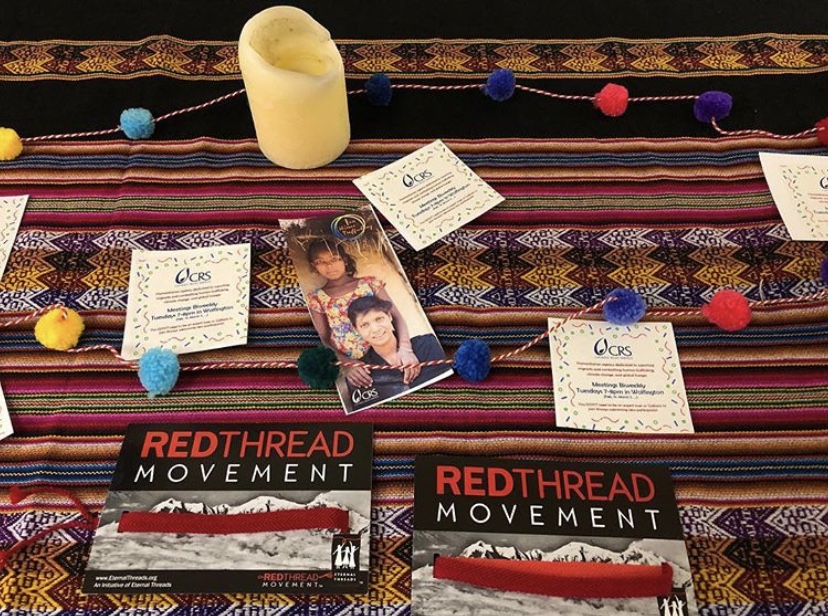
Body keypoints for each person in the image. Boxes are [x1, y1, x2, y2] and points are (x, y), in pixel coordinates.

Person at [305, 238, 420, 387]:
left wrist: (405, 348)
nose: (329, 265)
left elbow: (396, 317)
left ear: (345, 260)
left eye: (335, 259)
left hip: (388, 352)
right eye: (320, 261)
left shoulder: (369, 284)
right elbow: (323, 338)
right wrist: (345, 363)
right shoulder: (316, 298)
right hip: (353, 366)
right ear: (314, 266)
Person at [346, 295, 449, 395]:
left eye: (379, 319)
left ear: (389, 316)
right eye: (365, 325)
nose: (375, 329)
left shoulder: (427, 344)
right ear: (357, 330)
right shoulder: (361, 373)